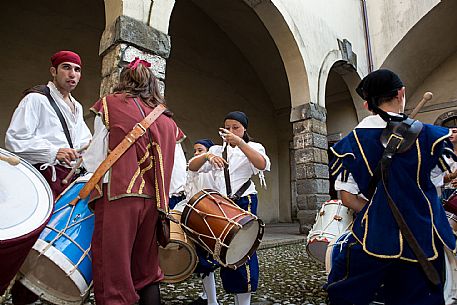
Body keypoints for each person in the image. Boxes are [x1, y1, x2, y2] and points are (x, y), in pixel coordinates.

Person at [325, 69, 457, 305]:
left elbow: (347, 197)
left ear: (367, 105)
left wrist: (379, 214)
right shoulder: (431, 137)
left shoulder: (349, 145)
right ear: (401, 93)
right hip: (424, 240)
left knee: (347, 293)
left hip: (372, 239)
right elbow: (437, 182)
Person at [82, 57, 181, 305]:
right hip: (153, 205)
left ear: (124, 80)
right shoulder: (168, 121)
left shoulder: (109, 105)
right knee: (147, 273)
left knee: (113, 275)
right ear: (153, 84)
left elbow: (94, 160)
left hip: (118, 197)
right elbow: (179, 175)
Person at [4, 50, 91, 305]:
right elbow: (15, 139)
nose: (72, 74)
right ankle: (18, 295)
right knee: (31, 242)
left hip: (66, 183)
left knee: (49, 242)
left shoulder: (76, 107)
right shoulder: (36, 99)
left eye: (76, 70)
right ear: (53, 71)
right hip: (42, 180)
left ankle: (33, 292)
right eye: (66, 68)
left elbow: (83, 140)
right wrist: (54, 151)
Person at [188, 111, 270, 305]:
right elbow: (192, 167)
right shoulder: (216, 150)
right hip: (221, 205)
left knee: (241, 251)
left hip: (243, 201)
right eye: (228, 127)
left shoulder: (253, 146)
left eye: (236, 127)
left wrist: (240, 143)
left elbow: (262, 164)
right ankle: (212, 301)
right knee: (209, 250)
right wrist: (207, 156)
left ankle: (243, 302)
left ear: (244, 129)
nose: (231, 131)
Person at [186, 139, 220, 305]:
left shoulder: (212, 167)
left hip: (212, 215)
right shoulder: (195, 166)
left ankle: (212, 299)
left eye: (200, 150)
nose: (197, 154)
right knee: (202, 259)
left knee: (208, 259)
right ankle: (208, 297)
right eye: (195, 151)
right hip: (197, 215)